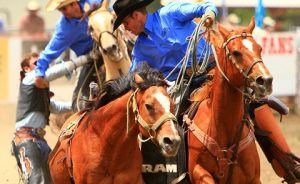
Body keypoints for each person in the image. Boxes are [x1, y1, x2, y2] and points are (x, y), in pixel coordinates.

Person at [113, 0, 300, 183]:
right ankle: (182, 174)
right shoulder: (140, 47)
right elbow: (134, 77)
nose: (125, 28)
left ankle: (287, 163)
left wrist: (209, 15)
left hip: (214, 69)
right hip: (185, 85)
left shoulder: (170, 13)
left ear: (136, 15)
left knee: (253, 101)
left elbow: (207, 6)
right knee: (172, 121)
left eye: (125, 22)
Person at [11, 52, 73, 184]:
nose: (40, 66)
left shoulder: (39, 91)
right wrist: (82, 60)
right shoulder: (28, 78)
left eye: (42, 63)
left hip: (37, 141)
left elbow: (56, 107)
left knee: (59, 176)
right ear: (26, 69)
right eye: (36, 63)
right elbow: (50, 73)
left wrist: (79, 103)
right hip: (26, 141)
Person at [35, 0, 103, 111]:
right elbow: (49, 52)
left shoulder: (91, 2)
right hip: (92, 59)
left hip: (114, 43)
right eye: (60, 10)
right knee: (79, 103)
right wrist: (39, 73)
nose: (63, 12)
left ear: (75, 3)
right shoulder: (64, 29)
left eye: (64, 8)